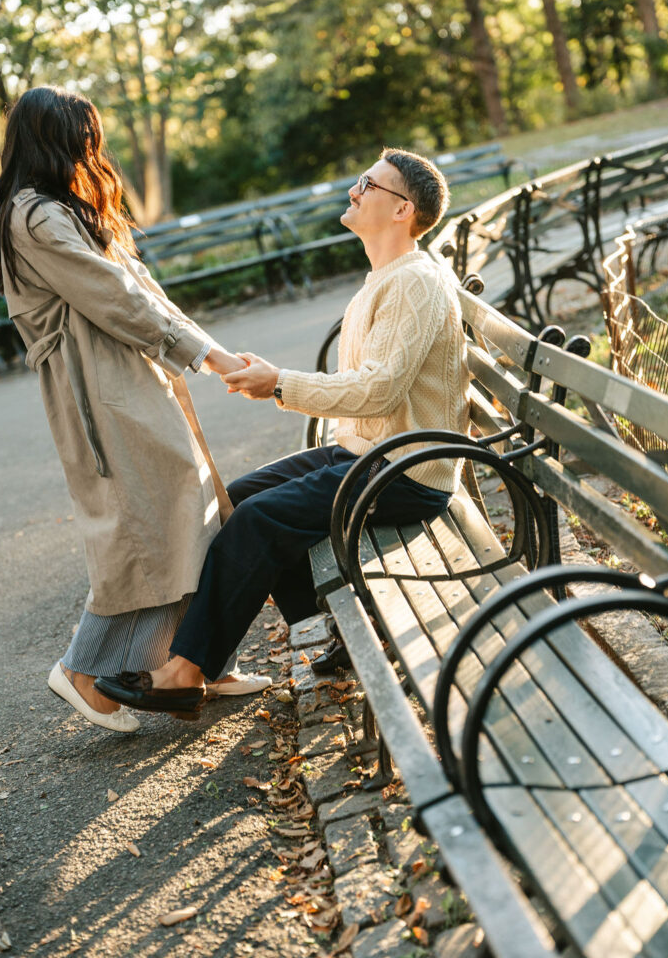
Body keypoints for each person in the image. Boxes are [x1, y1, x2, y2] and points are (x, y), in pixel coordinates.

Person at [95, 147, 471, 718]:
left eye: (368, 184)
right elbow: (369, 386)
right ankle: (326, 628)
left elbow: (381, 390)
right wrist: (273, 376)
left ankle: (184, 673)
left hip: (407, 470)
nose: (354, 190)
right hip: (367, 454)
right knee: (238, 500)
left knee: (259, 520)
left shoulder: (414, 282)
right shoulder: (383, 280)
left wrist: (280, 384)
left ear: (402, 210)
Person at [0, 86, 270, 734]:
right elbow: (115, 298)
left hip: (128, 379)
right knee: (139, 529)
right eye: (84, 134)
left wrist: (212, 351)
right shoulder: (33, 219)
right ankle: (84, 668)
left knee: (189, 510)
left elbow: (145, 291)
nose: (95, 146)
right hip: (99, 392)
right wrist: (212, 358)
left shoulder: (65, 208)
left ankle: (196, 659)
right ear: (56, 140)